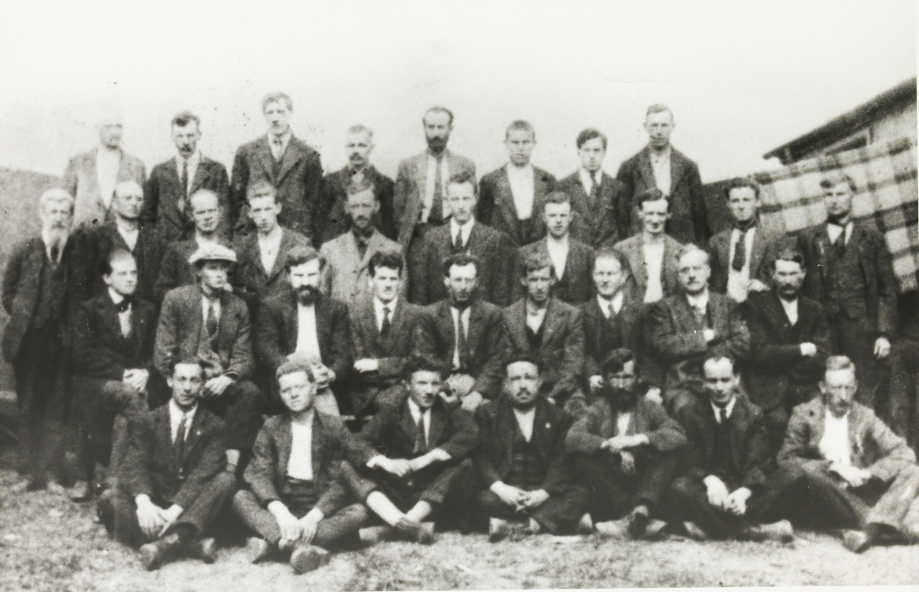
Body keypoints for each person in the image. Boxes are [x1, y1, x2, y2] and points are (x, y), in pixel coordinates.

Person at [98, 360, 237, 570]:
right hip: (155, 502)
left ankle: (164, 545)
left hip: (190, 505)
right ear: (170, 381)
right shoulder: (147, 420)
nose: (187, 387)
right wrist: (144, 503)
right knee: (109, 498)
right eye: (181, 379)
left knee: (226, 481)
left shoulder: (216, 426)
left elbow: (203, 473)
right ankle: (190, 541)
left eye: (194, 380)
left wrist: (173, 512)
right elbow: (135, 463)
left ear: (202, 384)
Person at [233, 360, 368, 574]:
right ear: (280, 394)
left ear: (313, 388)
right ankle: (296, 547)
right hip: (283, 499)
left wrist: (315, 515)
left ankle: (275, 543)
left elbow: (339, 481)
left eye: (299, 387)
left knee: (359, 511)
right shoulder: (272, 427)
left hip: (317, 501)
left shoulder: (333, 426)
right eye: (286, 390)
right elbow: (259, 472)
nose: (293, 394)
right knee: (241, 497)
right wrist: (280, 511)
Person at [778, 356, 919, 553]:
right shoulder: (804, 414)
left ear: (856, 387)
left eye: (849, 388)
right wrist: (833, 467)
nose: (844, 396)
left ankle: (869, 531)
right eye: (837, 388)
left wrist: (869, 473)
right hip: (824, 491)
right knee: (811, 476)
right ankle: (883, 527)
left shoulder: (864, 415)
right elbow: (786, 460)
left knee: (913, 471)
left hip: (857, 491)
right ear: (823, 388)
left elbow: (904, 452)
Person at [2, 189, 90, 490]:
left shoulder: (78, 254)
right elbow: (7, 292)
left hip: (64, 342)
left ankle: (52, 473)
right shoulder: (25, 249)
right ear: (42, 214)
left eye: (64, 213)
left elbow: (85, 296)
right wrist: (25, 316)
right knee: (28, 404)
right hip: (29, 342)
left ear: (71, 218)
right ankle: (29, 472)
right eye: (53, 212)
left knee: (57, 406)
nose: (59, 218)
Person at [339, 357, 479, 543]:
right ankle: (402, 523)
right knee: (346, 466)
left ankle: (403, 524)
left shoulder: (448, 409)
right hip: (396, 492)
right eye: (422, 383)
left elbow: (471, 434)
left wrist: (430, 457)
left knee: (466, 464)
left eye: (435, 383)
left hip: (431, 496)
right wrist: (386, 463)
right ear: (407, 385)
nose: (429, 391)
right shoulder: (392, 410)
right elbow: (356, 443)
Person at [666, 356, 802, 542]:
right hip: (709, 491)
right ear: (703, 382)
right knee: (680, 487)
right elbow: (690, 458)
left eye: (725, 380)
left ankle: (715, 527)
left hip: (743, 486)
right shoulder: (689, 413)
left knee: (792, 474)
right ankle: (749, 530)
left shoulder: (753, 413)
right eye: (712, 381)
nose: (719, 387)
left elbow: (758, 460)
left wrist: (744, 493)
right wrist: (709, 480)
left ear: (736, 379)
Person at [154, 244, 263, 474]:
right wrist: (191, 380)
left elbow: (244, 355)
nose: (220, 274)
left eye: (224, 269)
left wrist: (226, 378)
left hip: (221, 381)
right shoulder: (177, 299)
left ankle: (231, 467)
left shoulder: (237, 306)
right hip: (187, 377)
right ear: (198, 271)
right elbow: (164, 350)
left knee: (249, 392)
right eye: (213, 268)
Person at [799, 172, 897, 409]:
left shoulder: (871, 237)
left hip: (861, 326)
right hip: (823, 327)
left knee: (863, 386)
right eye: (828, 195)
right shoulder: (809, 238)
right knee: (826, 383)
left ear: (852, 195)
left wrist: (884, 333)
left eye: (840, 194)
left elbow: (888, 288)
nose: (834, 200)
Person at [566, 349, 686, 539]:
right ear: (606, 380)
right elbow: (572, 437)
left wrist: (636, 439)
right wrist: (608, 445)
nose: (621, 385)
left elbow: (678, 434)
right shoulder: (598, 409)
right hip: (611, 488)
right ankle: (636, 519)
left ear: (638, 378)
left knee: (672, 453)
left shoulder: (650, 408)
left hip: (645, 484)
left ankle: (639, 511)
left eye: (627, 377)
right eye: (615, 378)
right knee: (581, 461)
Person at [71, 249, 158, 501]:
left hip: (136, 382)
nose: (130, 278)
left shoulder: (147, 309)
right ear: (107, 278)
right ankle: (133, 478)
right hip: (97, 382)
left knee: (125, 417)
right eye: (122, 274)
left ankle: (110, 485)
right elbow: (83, 354)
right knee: (133, 398)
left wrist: (145, 372)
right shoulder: (89, 309)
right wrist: (123, 374)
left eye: (134, 273)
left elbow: (156, 350)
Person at [474, 356, 591, 540]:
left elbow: (561, 461)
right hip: (505, 493)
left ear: (539, 382)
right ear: (505, 385)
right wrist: (502, 490)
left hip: (542, 493)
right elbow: (482, 458)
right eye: (515, 379)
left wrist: (543, 493)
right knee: (482, 498)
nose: (523, 385)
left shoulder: (559, 417)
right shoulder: (488, 413)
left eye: (529, 378)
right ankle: (555, 521)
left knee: (581, 493)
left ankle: (517, 524)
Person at [743, 247, 831, 456]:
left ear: (803, 274)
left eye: (793, 274)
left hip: (805, 385)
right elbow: (759, 355)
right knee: (778, 423)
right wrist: (801, 349)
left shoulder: (814, 308)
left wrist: (782, 358)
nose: (788, 280)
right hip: (770, 386)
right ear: (773, 276)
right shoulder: (755, 307)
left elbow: (821, 356)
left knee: (818, 421)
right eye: (782, 274)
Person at [648, 246, 750, 412]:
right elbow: (662, 346)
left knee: (743, 412)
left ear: (708, 271)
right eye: (685, 270)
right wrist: (703, 338)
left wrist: (712, 356)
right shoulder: (665, 307)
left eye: (697, 268)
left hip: (724, 382)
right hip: (684, 384)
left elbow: (742, 344)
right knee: (685, 410)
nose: (691, 275)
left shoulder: (727, 304)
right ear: (678, 276)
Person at [256, 246, 352, 414]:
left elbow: (343, 355)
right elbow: (268, 350)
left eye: (311, 275)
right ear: (288, 277)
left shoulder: (336, 309)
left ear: (320, 275)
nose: (305, 282)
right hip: (286, 381)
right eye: (299, 276)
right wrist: (292, 371)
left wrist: (331, 373)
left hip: (322, 384)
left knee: (330, 424)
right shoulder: (271, 307)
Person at [414, 254, 507, 411]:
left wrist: (478, 393)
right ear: (446, 281)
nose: (463, 287)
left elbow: (496, 359)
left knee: (487, 412)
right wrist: (442, 388)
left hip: (479, 383)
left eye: (468, 280)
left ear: (477, 282)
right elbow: (426, 357)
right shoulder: (430, 315)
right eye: (457, 280)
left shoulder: (492, 314)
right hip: (442, 383)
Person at [408, 171, 514, 306]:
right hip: (440, 317)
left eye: (466, 198)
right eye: (455, 199)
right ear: (447, 201)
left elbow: (500, 293)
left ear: (475, 199)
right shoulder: (430, 239)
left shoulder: (494, 239)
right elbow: (420, 292)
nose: (461, 206)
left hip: (480, 317)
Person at [230, 92, 323, 241]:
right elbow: (236, 199)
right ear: (264, 115)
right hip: (255, 233)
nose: (275, 118)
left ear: (291, 113)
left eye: (280, 112)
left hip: (295, 234)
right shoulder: (247, 152)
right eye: (270, 112)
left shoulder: (308, 155)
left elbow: (314, 202)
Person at [502, 252, 585, 413]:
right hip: (521, 388)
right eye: (534, 280)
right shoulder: (509, 315)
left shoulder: (571, 315)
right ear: (524, 280)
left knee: (575, 413)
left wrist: (553, 398)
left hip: (560, 390)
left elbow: (573, 366)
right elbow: (506, 361)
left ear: (552, 280)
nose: (539, 286)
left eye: (544, 279)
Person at [616, 104, 708, 246]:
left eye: (664, 125)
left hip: (680, 242)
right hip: (642, 244)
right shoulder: (630, 167)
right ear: (645, 127)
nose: (659, 132)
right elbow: (621, 216)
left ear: (672, 127)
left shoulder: (688, 167)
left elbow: (699, 215)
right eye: (653, 126)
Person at [349, 250, 424, 416]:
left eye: (393, 279)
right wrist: (396, 367)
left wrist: (378, 365)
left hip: (402, 389)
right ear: (370, 281)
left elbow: (417, 360)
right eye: (382, 278)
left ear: (400, 282)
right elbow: (358, 364)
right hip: (364, 393)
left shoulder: (415, 314)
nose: (388, 284)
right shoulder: (354, 313)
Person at [394, 106, 476, 254]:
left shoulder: (465, 165)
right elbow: (399, 211)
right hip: (420, 237)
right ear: (424, 128)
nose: (436, 133)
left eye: (440, 127)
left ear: (450, 129)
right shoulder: (408, 166)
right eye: (431, 127)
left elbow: (472, 207)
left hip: (453, 235)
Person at [142, 112, 231, 243]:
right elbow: (148, 215)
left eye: (190, 135)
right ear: (172, 137)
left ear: (199, 135)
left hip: (204, 245)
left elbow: (225, 215)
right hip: (167, 246)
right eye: (180, 136)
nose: (185, 142)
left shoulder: (216, 170)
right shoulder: (159, 172)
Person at [78, 180, 164, 305]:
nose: (134, 203)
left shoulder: (155, 239)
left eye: (139, 199)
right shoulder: (97, 237)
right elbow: (84, 283)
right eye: (127, 198)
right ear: (114, 204)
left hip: (146, 311)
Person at [319, 176, 402, 306]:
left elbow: (398, 302)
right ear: (346, 208)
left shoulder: (394, 249)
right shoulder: (329, 249)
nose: (360, 213)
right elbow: (321, 299)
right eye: (355, 206)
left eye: (366, 206)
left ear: (376, 206)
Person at [580, 249, 651, 398]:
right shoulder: (580, 313)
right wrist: (592, 375)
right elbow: (583, 352)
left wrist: (648, 385)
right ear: (592, 276)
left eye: (611, 274)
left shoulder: (640, 311)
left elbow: (649, 354)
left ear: (623, 276)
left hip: (634, 388)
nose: (605, 280)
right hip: (596, 388)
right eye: (600, 273)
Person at [233, 181, 311, 317]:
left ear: (278, 208)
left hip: (290, 319)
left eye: (268, 209)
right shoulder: (242, 247)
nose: (263, 217)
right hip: (254, 321)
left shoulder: (299, 243)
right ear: (250, 213)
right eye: (257, 210)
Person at [478, 120, 557, 247]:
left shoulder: (547, 180)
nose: (520, 148)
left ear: (534, 144)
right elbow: (483, 224)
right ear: (506, 144)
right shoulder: (490, 181)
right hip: (503, 249)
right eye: (515, 142)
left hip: (538, 249)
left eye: (526, 142)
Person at [707, 177, 786, 303]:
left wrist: (764, 285)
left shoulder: (773, 238)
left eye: (746, 200)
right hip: (727, 307)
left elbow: (783, 276)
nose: (741, 206)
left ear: (757, 202)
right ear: (728, 204)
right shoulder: (716, 242)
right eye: (735, 201)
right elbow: (714, 284)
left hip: (761, 305)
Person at [63, 112, 146, 229]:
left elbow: (143, 207)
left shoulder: (136, 166)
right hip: (85, 233)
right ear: (98, 128)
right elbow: (65, 203)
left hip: (121, 235)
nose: (114, 132)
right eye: (108, 127)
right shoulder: (78, 163)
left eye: (118, 126)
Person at [154, 189, 235, 303]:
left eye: (211, 211)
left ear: (220, 212)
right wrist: (186, 299)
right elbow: (161, 291)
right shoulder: (177, 250)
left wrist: (230, 293)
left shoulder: (232, 248)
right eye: (200, 212)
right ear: (191, 215)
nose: (207, 217)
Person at [513, 191, 595, 305]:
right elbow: (517, 299)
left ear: (571, 217)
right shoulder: (525, 253)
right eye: (552, 215)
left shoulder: (587, 253)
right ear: (544, 217)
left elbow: (592, 299)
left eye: (563, 215)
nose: (558, 220)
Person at [318, 124, 396, 243]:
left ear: (371, 148)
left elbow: (389, 228)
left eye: (361, 145)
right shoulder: (330, 183)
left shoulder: (385, 185)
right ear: (346, 148)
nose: (355, 151)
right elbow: (319, 224)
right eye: (351, 146)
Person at [557, 128, 628, 248]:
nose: (592, 156)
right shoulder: (564, 187)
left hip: (608, 255)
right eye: (586, 150)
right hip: (576, 253)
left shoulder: (617, 188)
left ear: (604, 152)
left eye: (596, 150)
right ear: (578, 151)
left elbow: (623, 229)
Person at [612, 189, 683, 305]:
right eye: (650, 213)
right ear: (640, 213)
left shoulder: (680, 251)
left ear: (669, 215)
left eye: (660, 214)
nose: (655, 220)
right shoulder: (622, 249)